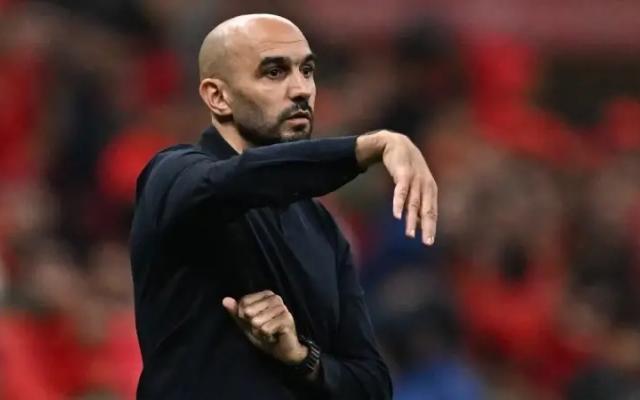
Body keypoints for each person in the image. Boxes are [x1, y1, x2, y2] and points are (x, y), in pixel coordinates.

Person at [130, 14, 438, 399]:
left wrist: (301, 358)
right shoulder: (172, 176)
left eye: (307, 71)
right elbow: (236, 180)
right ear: (217, 96)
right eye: (274, 72)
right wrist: (364, 149)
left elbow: (371, 385)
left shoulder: (322, 228)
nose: (301, 90)